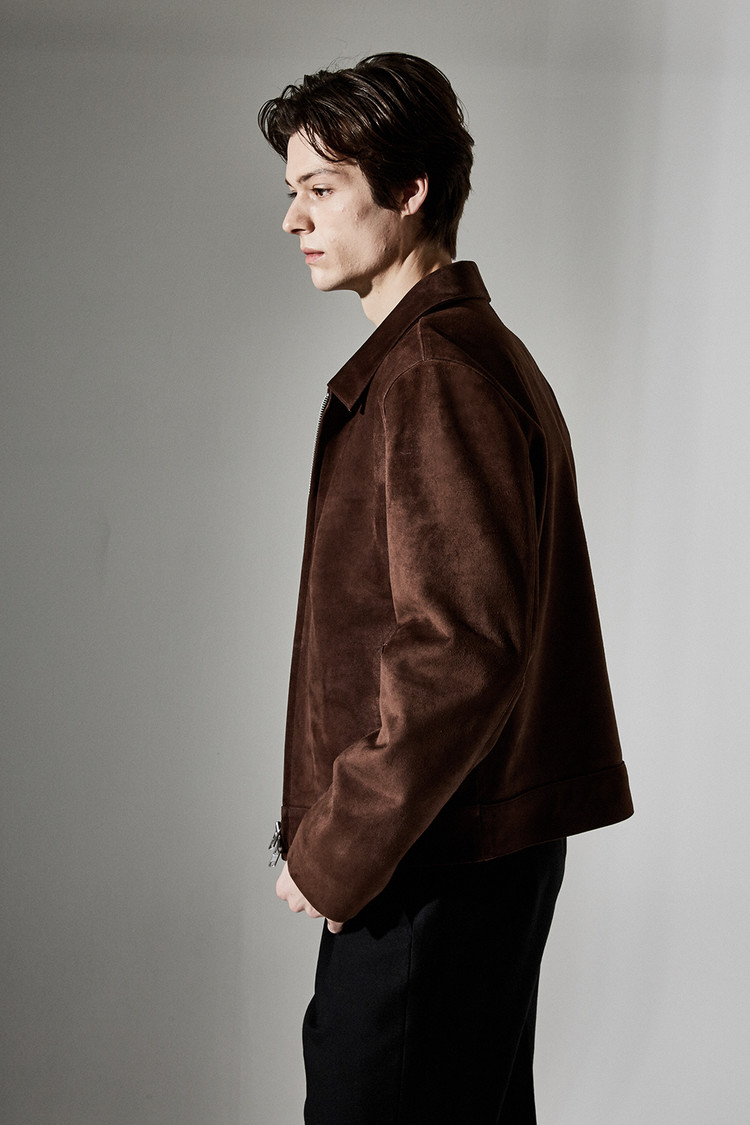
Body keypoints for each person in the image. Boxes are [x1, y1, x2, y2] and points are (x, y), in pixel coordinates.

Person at [258, 52, 633, 1124]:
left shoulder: (435, 370)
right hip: (451, 849)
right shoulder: (452, 355)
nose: (293, 219)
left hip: (429, 860)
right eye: (292, 190)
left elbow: (460, 647)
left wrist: (336, 849)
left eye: (321, 187)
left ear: (411, 188)